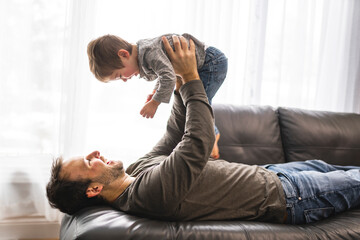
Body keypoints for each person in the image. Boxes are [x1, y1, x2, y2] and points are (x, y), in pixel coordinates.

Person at [47, 36, 360, 225]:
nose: (95, 154)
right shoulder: (147, 194)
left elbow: (173, 136)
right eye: (89, 163)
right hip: (292, 197)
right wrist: (192, 77)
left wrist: (182, 84)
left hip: (276, 174)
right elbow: (196, 143)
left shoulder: (137, 171)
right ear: (93, 190)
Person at [87, 33, 227, 159]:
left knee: (199, 105)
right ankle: (212, 132)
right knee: (191, 106)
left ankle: (212, 134)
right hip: (207, 62)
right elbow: (165, 71)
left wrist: (155, 103)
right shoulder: (145, 53)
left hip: (211, 63)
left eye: (119, 75)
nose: (124, 80)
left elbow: (169, 77)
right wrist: (156, 92)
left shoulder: (149, 53)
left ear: (124, 54)